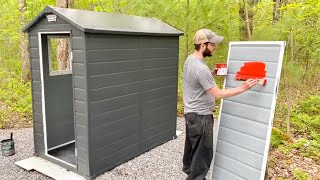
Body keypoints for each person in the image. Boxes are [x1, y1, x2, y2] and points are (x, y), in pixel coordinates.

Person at [182, 29, 257, 180]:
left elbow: (196, 79)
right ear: (203, 45)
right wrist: (243, 87)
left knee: (193, 148)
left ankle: (189, 170)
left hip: (191, 114)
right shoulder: (201, 68)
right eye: (212, 44)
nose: (215, 47)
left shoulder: (191, 60)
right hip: (201, 117)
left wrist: (212, 74)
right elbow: (218, 94)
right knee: (203, 154)